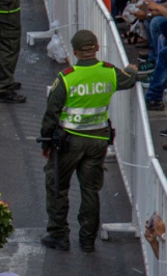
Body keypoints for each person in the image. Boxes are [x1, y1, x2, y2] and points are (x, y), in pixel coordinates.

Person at [40, 30, 139, 252]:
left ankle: (58, 235)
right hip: (98, 141)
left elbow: (51, 114)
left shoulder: (67, 77)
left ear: (74, 52)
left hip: (68, 142)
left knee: (57, 187)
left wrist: (46, 144)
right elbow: (130, 79)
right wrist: (132, 71)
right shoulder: (109, 72)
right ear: (96, 47)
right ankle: (87, 240)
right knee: (90, 191)